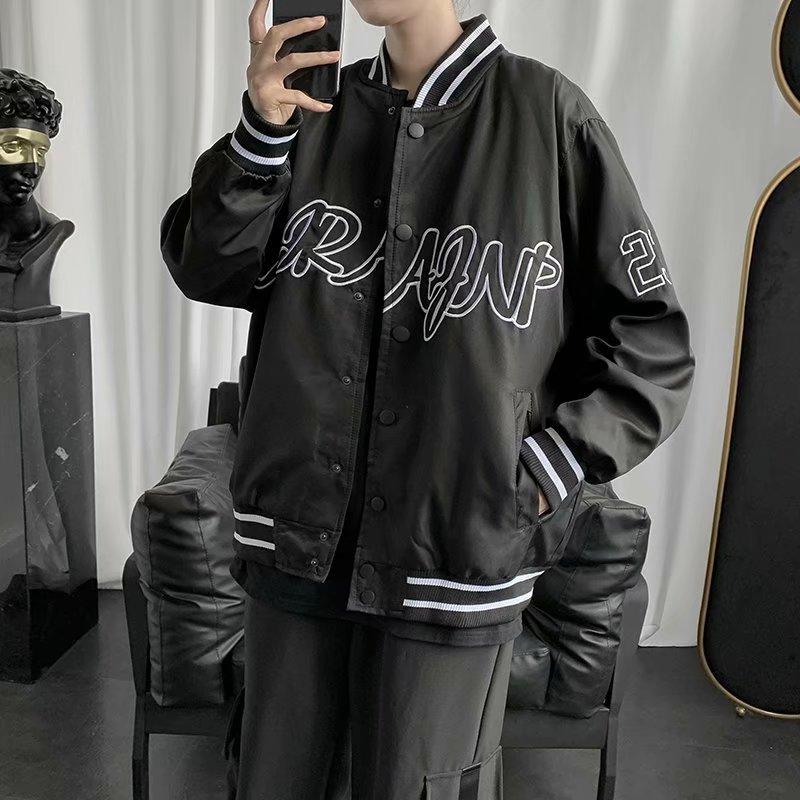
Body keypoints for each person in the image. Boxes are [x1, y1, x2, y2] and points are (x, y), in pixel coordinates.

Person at [160, 0, 695, 797]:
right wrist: (261, 133)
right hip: (295, 548)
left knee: (424, 785)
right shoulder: (309, 111)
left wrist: (542, 472)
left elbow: (652, 340)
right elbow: (207, 267)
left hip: (454, 552)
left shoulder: (547, 115)